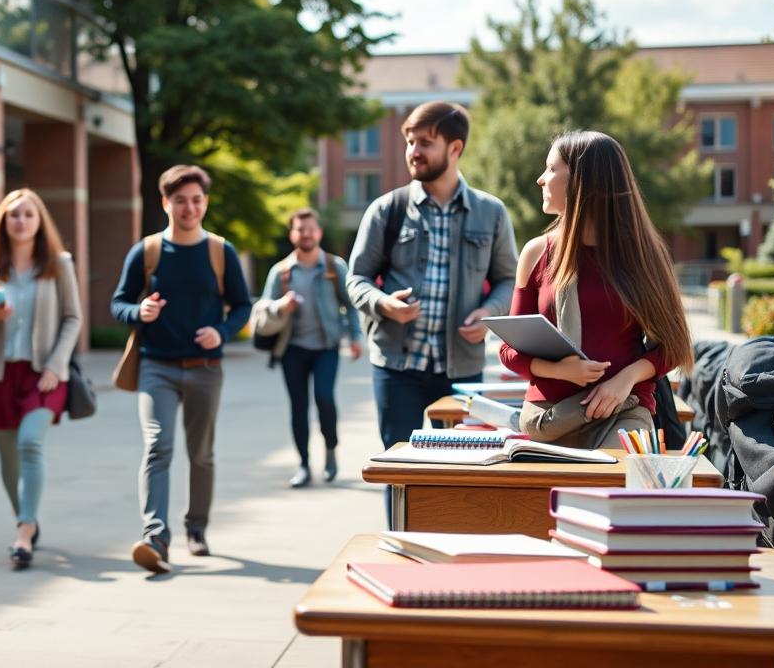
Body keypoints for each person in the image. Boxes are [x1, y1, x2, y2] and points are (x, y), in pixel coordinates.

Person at [346, 102, 518, 521]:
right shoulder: (385, 210)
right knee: (399, 468)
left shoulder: (491, 212)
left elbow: (508, 280)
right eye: (409, 141)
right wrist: (382, 304)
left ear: (455, 147)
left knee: (455, 469)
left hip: (460, 370)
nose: (413, 151)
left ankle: (443, 555)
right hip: (397, 366)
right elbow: (357, 279)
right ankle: (403, 544)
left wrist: (490, 311)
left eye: (425, 142)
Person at [499, 131, 692, 448]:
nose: (540, 179)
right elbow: (509, 351)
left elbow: (673, 347)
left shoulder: (645, 255)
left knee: (609, 487)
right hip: (547, 420)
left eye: (551, 169)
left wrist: (624, 380)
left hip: (623, 412)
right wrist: (561, 370)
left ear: (581, 181)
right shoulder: (535, 253)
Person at [110, 165, 252, 574]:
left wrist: (222, 332)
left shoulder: (220, 251)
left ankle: (197, 527)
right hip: (157, 367)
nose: (189, 207)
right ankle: (156, 537)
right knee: (158, 446)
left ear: (204, 203)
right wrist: (141, 310)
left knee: (201, 454)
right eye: (180, 200)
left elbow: (242, 305)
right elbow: (118, 303)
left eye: (196, 200)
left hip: (206, 368)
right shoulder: (148, 251)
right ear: (165, 202)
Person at [0, 188, 81, 570]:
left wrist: (56, 366)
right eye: (14, 215)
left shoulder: (59, 264)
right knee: (8, 457)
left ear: (39, 220)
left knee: (30, 444)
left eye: (29, 214)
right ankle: (25, 516)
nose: (21, 221)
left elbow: (73, 317)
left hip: (42, 375)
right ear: (3, 221)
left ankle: (24, 531)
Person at [252, 208, 362, 487]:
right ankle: (303, 464)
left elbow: (349, 304)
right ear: (292, 235)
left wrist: (355, 336)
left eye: (311, 228)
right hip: (293, 349)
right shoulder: (282, 271)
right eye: (301, 229)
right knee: (298, 407)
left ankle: (330, 451)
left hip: (326, 347)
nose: (306, 234)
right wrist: (281, 305)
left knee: (325, 398)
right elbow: (264, 305)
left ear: (319, 232)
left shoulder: (334, 267)